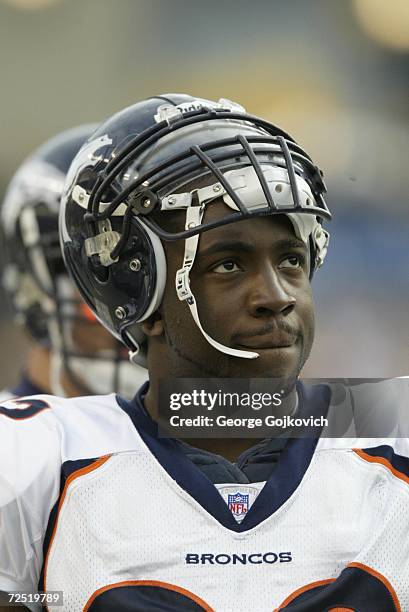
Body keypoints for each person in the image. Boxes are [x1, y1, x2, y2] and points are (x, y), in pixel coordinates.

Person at [0, 95, 407, 611]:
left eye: (291, 260)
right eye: (228, 265)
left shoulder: (391, 429)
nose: (277, 296)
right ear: (138, 297)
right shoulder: (36, 456)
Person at [0, 126, 146, 401]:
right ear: (34, 291)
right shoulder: (12, 440)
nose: (142, 310)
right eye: (101, 271)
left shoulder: (220, 418)